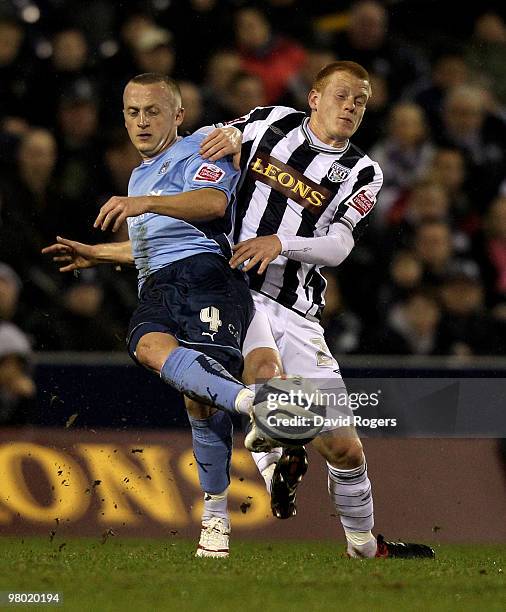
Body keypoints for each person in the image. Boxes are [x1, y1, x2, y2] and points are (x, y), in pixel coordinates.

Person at [198, 61, 435, 558]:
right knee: (265, 373)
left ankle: (364, 547)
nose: (351, 107)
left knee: (346, 449)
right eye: (343, 96)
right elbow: (213, 142)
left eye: (361, 101)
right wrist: (218, 139)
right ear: (314, 97)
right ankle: (275, 456)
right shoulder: (270, 122)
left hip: (299, 312)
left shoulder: (363, 170)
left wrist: (279, 242)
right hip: (238, 290)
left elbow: (338, 247)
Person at [43, 73, 265, 558]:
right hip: (160, 284)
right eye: (132, 112)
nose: (141, 122)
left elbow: (212, 203)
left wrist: (144, 202)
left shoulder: (202, 146)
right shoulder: (140, 175)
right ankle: (256, 406)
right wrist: (98, 254)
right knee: (148, 349)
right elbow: (153, 246)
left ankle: (214, 518)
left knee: (198, 401)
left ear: (178, 115)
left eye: (153, 112)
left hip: (208, 274)